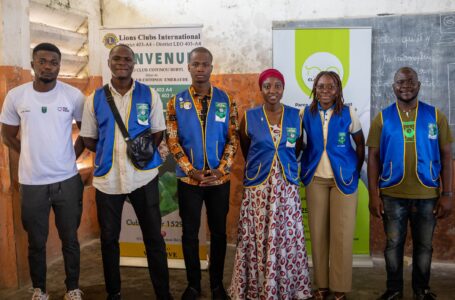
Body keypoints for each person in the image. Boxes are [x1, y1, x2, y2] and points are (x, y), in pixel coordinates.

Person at [80, 44, 171, 300]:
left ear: (134, 63)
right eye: (116, 58)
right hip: (108, 180)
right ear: (109, 62)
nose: (122, 62)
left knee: (154, 238)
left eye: (127, 59)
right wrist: (110, 152)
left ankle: (163, 293)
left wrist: (139, 157)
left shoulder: (150, 95)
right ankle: (114, 292)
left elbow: (157, 133)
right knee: (109, 240)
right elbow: (88, 138)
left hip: (143, 177)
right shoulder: (94, 98)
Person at [0, 43, 85, 300]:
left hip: (67, 181)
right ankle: (40, 290)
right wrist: (27, 154)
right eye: (43, 61)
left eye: (54, 62)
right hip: (32, 182)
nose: (48, 66)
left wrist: (71, 155)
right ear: (33, 63)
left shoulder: (73, 95)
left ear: (60, 65)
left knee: (70, 239)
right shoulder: (16, 96)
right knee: (36, 242)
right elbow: (7, 134)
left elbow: (88, 132)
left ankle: (73, 289)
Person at [367, 67, 453, 300]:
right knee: (393, 245)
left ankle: (421, 290)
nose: (406, 86)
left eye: (411, 81)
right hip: (392, 194)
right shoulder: (382, 118)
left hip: (427, 195)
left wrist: (447, 193)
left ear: (419, 84)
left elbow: (446, 155)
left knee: (424, 247)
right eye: (400, 82)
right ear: (393, 86)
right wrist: (374, 195)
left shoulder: (435, 116)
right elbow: (373, 157)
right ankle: (394, 290)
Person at [229, 68, 313, 299]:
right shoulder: (250, 117)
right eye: (267, 86)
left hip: (286, 187)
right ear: (261, 89)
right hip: (259, 188)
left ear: (283, 89)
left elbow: (297, 148)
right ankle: (258, 289)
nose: (272, 90)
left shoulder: (297, 115)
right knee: (257, 236)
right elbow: (247, 148)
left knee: (286, 236)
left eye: (277, 86)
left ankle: (286, 288)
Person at [166, 47, 238, 300]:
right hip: (189, 181)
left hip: (220, 180)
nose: (200, 69)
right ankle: (193, 285)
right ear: (188, 67)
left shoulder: (226, 100)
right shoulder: (176, 102)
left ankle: (217, 284)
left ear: (211, 67)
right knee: (189, 233)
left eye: (205, 64)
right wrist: (191, 171)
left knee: (219, 233)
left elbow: (233, 139)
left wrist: (221, 169)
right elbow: (172, 141)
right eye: (195, 64)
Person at [301, 71, 365, 300]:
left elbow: (360, 145)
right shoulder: (304, 113)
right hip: (315, 179)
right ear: (314, 89)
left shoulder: (348, 112)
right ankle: (322, 284)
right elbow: (300, 144)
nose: (325, 91)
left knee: (342, 235)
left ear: (337, 90)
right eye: (320, 86)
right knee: (317, 234)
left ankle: (339, 287)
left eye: (330, 87)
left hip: (344, 180)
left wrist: (355, 171)